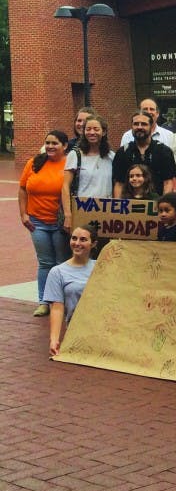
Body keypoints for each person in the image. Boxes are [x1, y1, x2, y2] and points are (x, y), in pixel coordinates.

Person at [19, 130, 71, 317]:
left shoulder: (69, 164)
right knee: (45, 262)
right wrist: (23, 214)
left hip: (59, 222)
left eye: (55, 143)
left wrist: (69, 216)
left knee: (61, 262)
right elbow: (23, 189)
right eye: (48, 142)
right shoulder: (34, 163)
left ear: (64, 146)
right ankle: (44, 301)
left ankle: (62, 301)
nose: (50, 146)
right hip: (37, 222)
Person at [43, 224, 98, 356]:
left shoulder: (101, 267)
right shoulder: (57, 272)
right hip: (75, 332)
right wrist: (54, 339)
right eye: (74, 238)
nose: (77, 243)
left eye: (83, 239)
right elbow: (57, 307)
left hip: (101, 331)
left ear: (93, 244)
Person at [61, 114, 114, 233]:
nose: (92, 132)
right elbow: (65, 186)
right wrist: (68, 215)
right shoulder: (75, 155)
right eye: (88, 129)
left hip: (105, 212)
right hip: (81, 211)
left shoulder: (111, 156)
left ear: (104, 132)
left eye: (96, 129)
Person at [112, 112, 176, 197]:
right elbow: (119, 184)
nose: (139, 127)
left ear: (151, 127)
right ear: (132, 127)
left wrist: (163, 205)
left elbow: (168, 183)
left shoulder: (164, 151)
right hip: (128, 206)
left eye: (144, 124)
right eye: (136, 124)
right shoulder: (122, 153)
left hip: (155, 205)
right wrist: (118, 208)